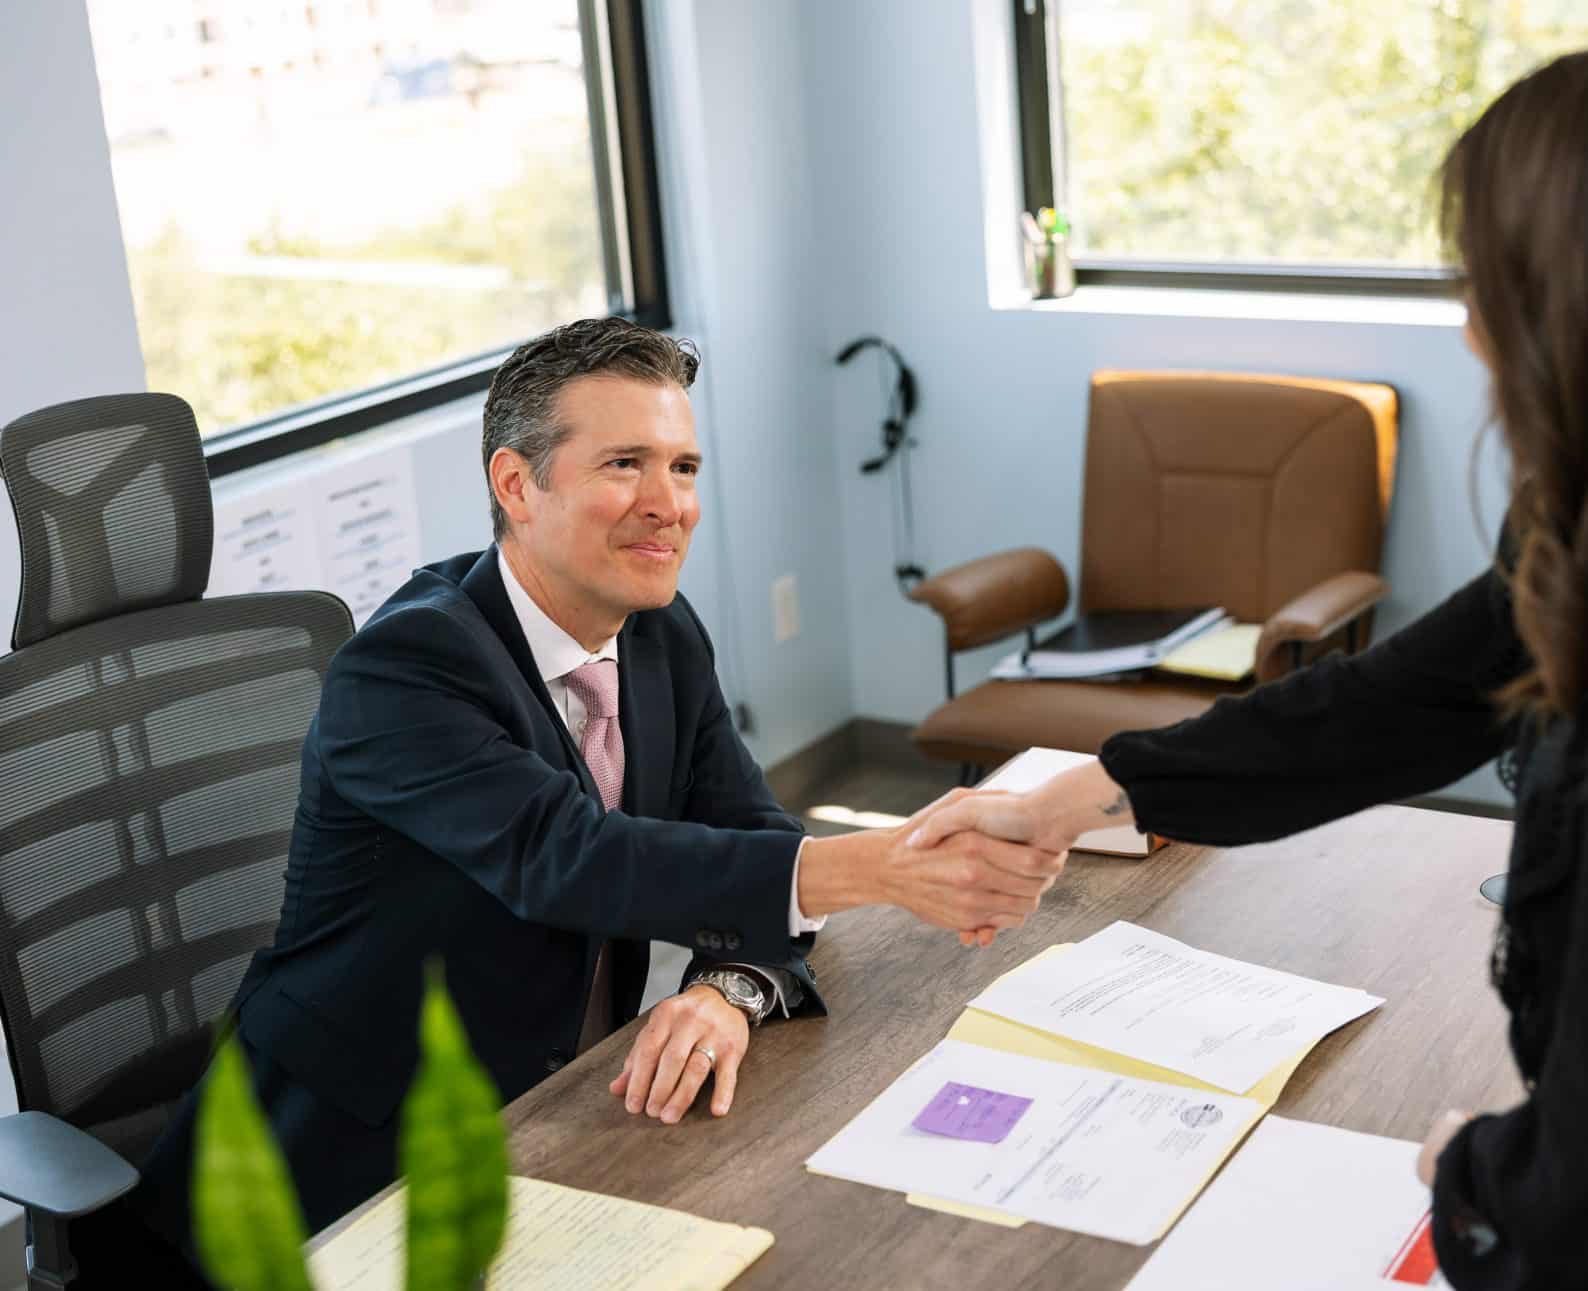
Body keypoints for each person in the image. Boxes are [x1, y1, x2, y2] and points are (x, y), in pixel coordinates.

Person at [914, 37, 1588, 1289]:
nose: (1476, 330)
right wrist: (1102, 782)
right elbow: (1404, 697)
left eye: (1490, 280)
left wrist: (1474, 1174)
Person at [123, 317, 1066, 1265]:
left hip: (560, 1118)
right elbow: (567, 857)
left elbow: (750, 834)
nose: (670, 504)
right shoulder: (405, 668)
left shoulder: (657, 633)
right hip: (341, 1169)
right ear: (515, 485)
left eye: (685, 467)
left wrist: (726, 990)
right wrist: (887, 863)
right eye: (626, 464)